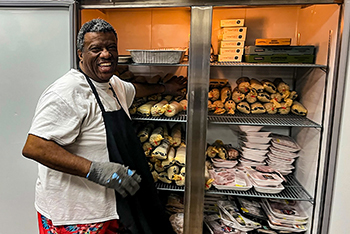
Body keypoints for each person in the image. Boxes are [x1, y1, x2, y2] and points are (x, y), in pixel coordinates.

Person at [22, 18, 186, 234]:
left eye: (111, 47)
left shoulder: (113, 85)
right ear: (80, 54)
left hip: (109, 208)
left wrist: (166, 87)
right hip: (75, 214)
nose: (106, 54)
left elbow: (135, 89)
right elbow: (34, 147)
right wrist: (94, 170)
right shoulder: (66, 92)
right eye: (95, 49)